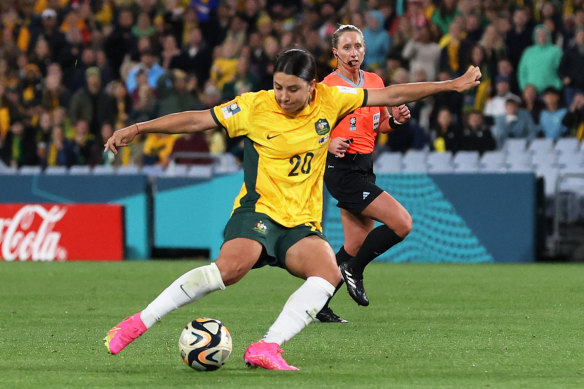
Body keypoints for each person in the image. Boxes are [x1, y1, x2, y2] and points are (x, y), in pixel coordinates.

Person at [103, 48, 481, 370]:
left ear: (313, 86)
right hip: (259, 212)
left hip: (301, 223)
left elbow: (393, 93)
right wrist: (138, 128)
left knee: (327, 274)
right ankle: (138, 322)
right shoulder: (254, 106)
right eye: (278, 87)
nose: (282, 96)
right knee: (231, 270)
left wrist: (451, 85)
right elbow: (199, 120)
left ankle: (267, 346)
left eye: (292, 89)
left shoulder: (333, 101)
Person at [314, 25, 412, 324]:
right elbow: (309, 127)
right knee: (402, 223)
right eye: (346, 47)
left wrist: (394, 122)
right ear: (335, 53)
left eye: (357, 46)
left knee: (354, 244)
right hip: (340, 169)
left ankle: (316, 305)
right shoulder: (327, 86)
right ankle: (355, 270)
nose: (353, 52)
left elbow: (378, 125)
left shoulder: (374, 81)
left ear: (365, 49)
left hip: (364, 167)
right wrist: (328, 141)